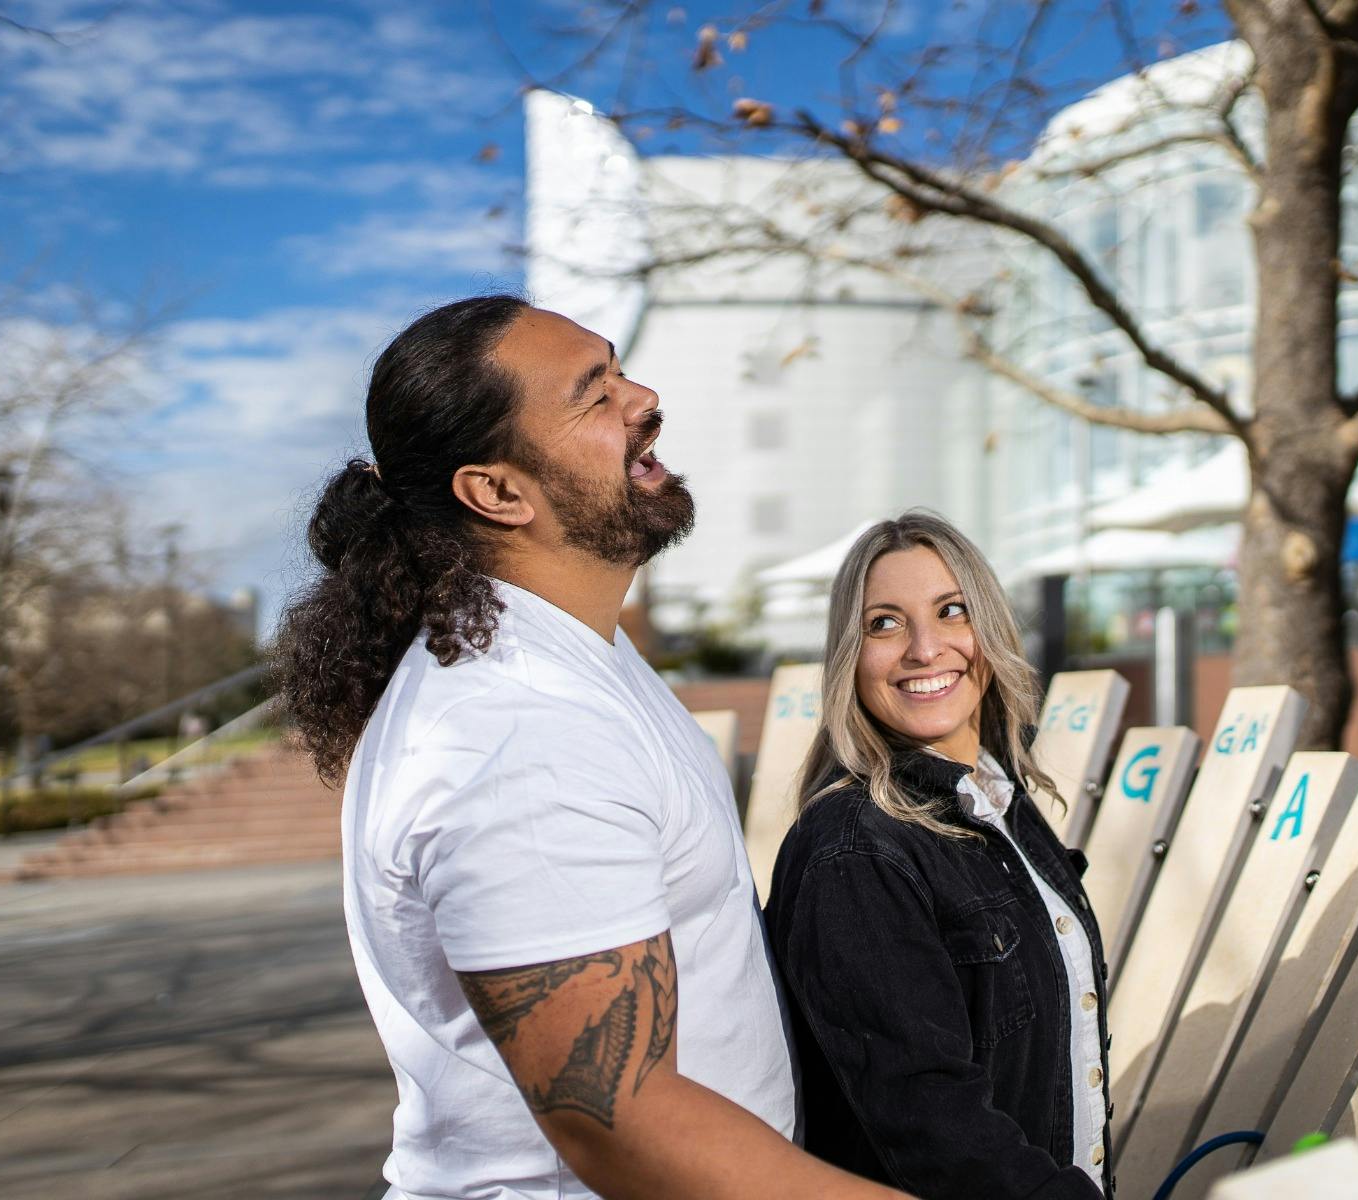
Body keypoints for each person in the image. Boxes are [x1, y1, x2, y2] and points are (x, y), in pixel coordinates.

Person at [273, 296, 909, 1200]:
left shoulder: (570, 654)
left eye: (618, 369)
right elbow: (622, 1125)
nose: (643, 396)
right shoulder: (517, 734)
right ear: (498, 491)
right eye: (594, 395)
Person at [763, 511, 1112, 1200]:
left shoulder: (1001, 803)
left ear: (989, 630)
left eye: (952, 612)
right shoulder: (855, 852)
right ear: (849, 657)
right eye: (884, 624)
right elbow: (931, 1124)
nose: (925, 649)